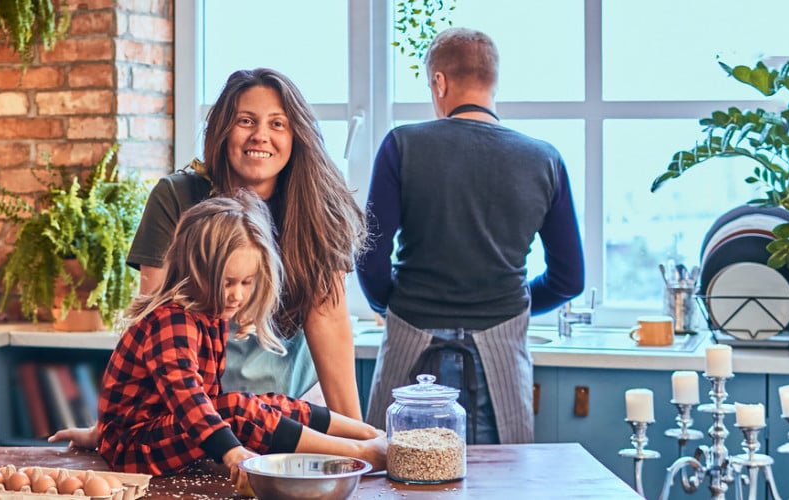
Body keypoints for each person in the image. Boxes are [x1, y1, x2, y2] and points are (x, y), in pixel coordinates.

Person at [51, 67, 367, 448]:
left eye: (277, 124)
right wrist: (116, 426)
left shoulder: (318, 208)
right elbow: (157, 325)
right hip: (190, 413)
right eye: (245, 121)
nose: (260, 136)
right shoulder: (176, 197)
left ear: (296, 134)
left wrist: (357, 439)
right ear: (221, 130)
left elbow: (330, 320)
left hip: (286, 412)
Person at [357, 27, 585, 444]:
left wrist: (390, 303)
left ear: (439, 82)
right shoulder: (544, 159)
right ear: (493, 81)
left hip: (412, 344)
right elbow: (569, 279)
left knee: (396, 477)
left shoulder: (402, 145)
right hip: (500, 353)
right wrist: (512, 303)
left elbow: (370, 256)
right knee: (502, 481)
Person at [97, 192, 386, 489]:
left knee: (267, 403)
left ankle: (366, 434)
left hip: (161, 431)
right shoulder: (172, 321)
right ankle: (360, 455)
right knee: (236, 411)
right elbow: (187, 398)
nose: (237, 294)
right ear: (196, 268)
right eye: (227, 282)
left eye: (247, 282)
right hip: (132, 447)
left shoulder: (211, 317)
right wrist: (232, 452)